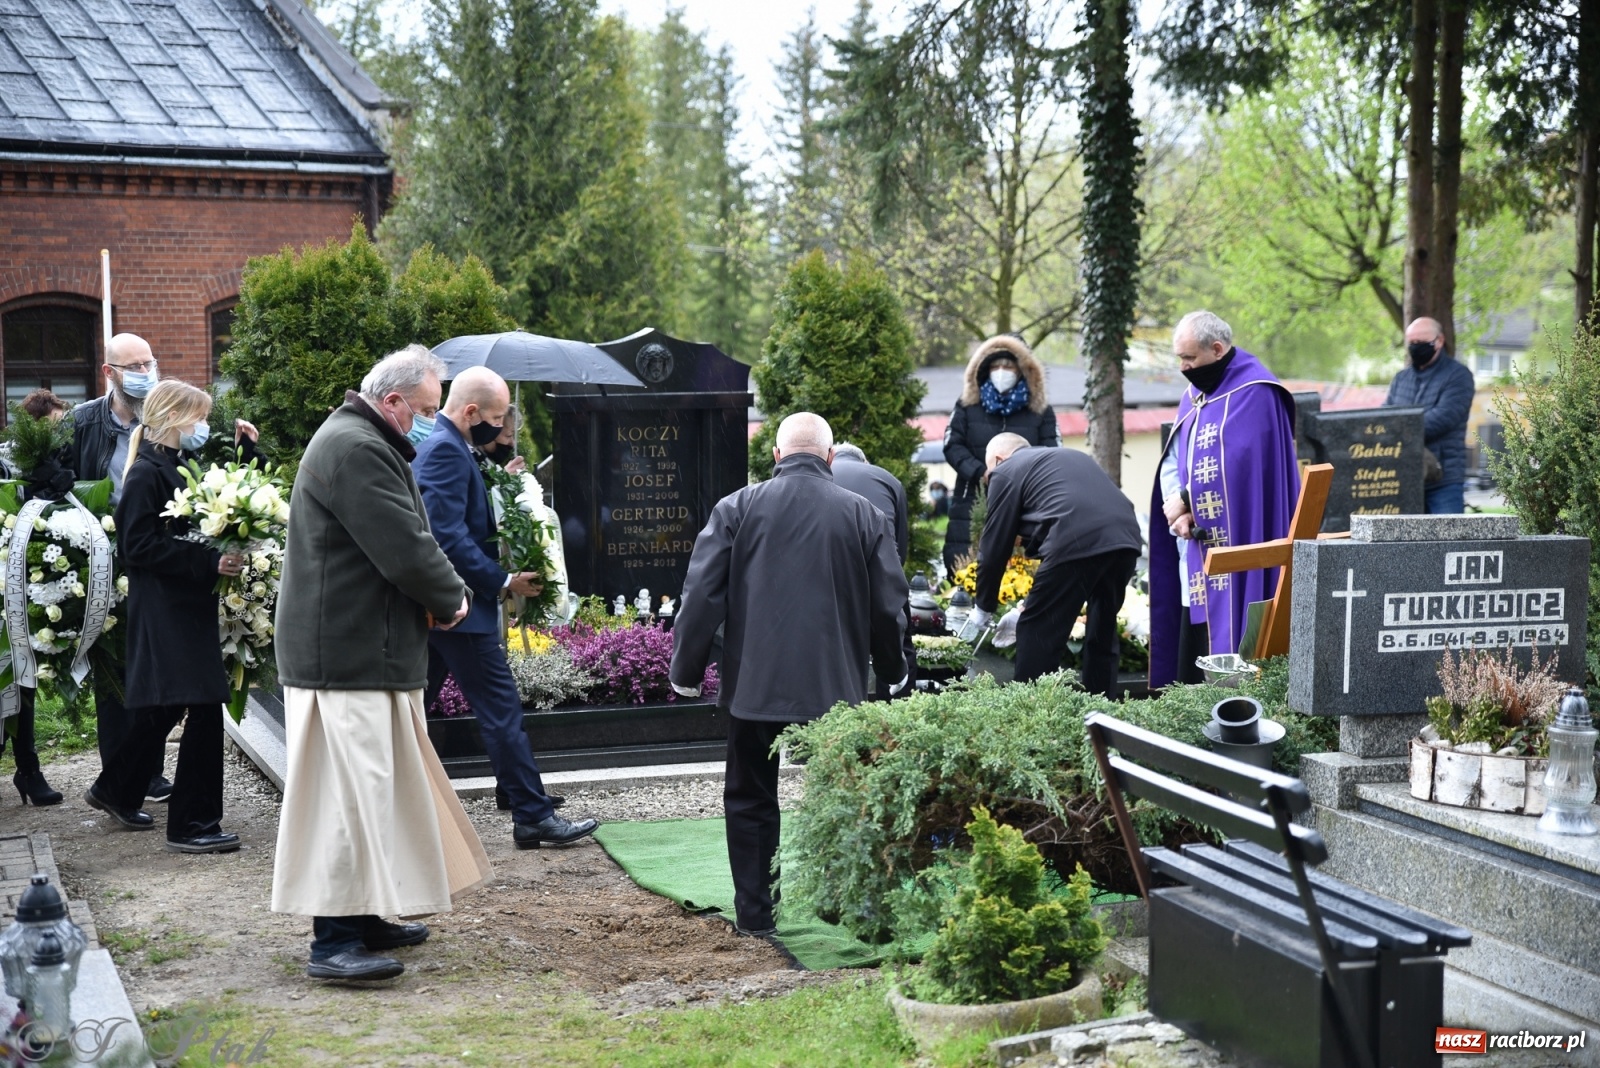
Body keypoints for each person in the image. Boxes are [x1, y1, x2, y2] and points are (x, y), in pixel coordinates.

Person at [270, 345, 491, 983]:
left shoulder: (360, 441)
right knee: (345, 797)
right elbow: (405, 545)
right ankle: (333, 940)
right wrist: (451, 597)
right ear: (391, 401)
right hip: (345, 655)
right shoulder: (356, 447)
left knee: (377, 792)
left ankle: (367, 917)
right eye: (423, 410)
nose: (428, 422)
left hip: (365, 649)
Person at [670, 413, 908, 936]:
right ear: (830, 459)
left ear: (776, 456)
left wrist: (685, 670)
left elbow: (701, 595)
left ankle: (757, 915)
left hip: (755, 688)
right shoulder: (865, 514)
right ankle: (850, 910)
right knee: (846, 796)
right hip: (837, 694)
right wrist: (892, 672)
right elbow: (889, 609)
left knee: (752, 798)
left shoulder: (737, 507)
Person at [413, 366, 597, 849]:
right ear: (471, 411)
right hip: (460, 611)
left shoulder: (454, 447)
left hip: (448, 609)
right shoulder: (446, 451)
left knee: (413, 711)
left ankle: (515, 797)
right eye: (495, 417)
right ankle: (531, 816)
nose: (500, 427)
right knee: (499, 709)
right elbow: (446, 535)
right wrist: (501, 580)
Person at [82, 380, 244, 854]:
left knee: (168, 707)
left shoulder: (174, 464)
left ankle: (115, 788)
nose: (201, 427)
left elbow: (207, 508)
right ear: (174, 418)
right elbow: (138, 546)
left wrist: (242, 452)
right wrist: (207, 563)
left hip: (183, 605)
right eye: (198, 418)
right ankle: (192, 823)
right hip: (167, 608)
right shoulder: (147, 473)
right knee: (205, 703)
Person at [1149, 311, 1299, 689]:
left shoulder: (1257, 391)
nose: (1184, 368)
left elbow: (1241, 465)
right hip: (1197, 544)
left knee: (1235, 632)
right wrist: (1178, 512)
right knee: (1193, 642)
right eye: (1179, 359)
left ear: (1217, 349)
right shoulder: (1194, 395)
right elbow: (1178, 459)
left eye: (1190, 359)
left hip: (1244, 535)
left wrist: (1186, 499)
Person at [967, 436, 1141, 696]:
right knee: (1101, 631)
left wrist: (983, 607)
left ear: (999, 460)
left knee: (1037, 632)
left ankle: (1033, 715)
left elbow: (994, 546)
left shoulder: (1005, 470)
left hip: (1076, 539)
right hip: (1125, 539)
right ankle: (1102, 712)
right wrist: (1028, 605)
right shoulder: (1065, 458)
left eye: (988, 471)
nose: (990, 478)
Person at [2, 390, 74, 806]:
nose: (60, 435)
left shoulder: (57, 461)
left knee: (21, 677)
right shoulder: (8, 461)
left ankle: (28, 769)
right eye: (54, 426)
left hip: (26, 582)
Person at [941, 335, 1058, 573]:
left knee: (1021, 572)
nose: (1001, 371)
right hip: (971, 500)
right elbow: (952, 445)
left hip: (1025, 502)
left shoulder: (1040, 411)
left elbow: (1052, 453)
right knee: (967, 569)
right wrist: (981, 472)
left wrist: (1020, 477)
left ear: (1023, 370)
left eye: (1008, 366)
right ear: (984, 369)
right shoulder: (966, 406)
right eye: (995, 366)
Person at [831, 441, 916, 700]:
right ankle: (895, 710)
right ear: (865, 462)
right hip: (881, 571)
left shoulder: (820, 474)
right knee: (899, 643)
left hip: (832, 574)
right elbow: (899, 542)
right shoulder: (887, 479)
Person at [1385, 316, 1476, 515]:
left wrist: (1398, 430)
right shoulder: (1401, 379)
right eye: (1412, 343)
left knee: (1449, 542)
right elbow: (1385, 417)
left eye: (1422, 343)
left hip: (1444, 479)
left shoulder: (1459, 376)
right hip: (1403, 478)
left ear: (1440, 341)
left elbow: (1443, 418)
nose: (1416, 347)